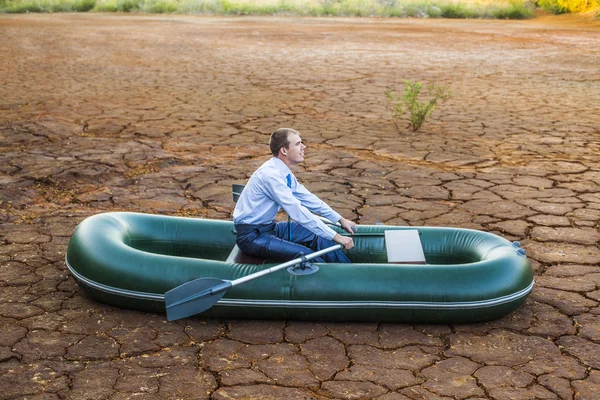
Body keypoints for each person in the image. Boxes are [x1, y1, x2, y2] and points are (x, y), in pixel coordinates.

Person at [233, 128, 356, 263]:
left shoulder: (282, 171)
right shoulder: (270, 175)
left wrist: (340, 219)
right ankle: (336, 280)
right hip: (252, 237)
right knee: (306, 255)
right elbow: (297, 211)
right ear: (284, 150)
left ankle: (349, 271)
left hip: (269, 228)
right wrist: (337, 237)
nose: (304, 147)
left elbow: (308, 198)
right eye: (298, 144)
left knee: (318, 235)